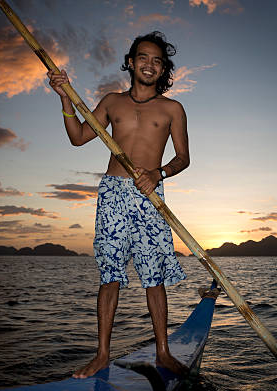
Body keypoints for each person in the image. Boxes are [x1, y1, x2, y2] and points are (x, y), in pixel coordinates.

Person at [47, 31, 189, 378]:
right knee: (110, 276)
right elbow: (79, 137)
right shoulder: (112, 102)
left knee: (153, 277)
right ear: (130, 61)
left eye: (157, 60)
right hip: (113, 193)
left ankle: (164, 352)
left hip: (150, 193)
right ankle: (102, 355)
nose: (149, 64)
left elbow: (183, 158)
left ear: (163, 68)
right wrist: (65, 98)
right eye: (143, 57)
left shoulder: (172, 108)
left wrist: (159, 173)